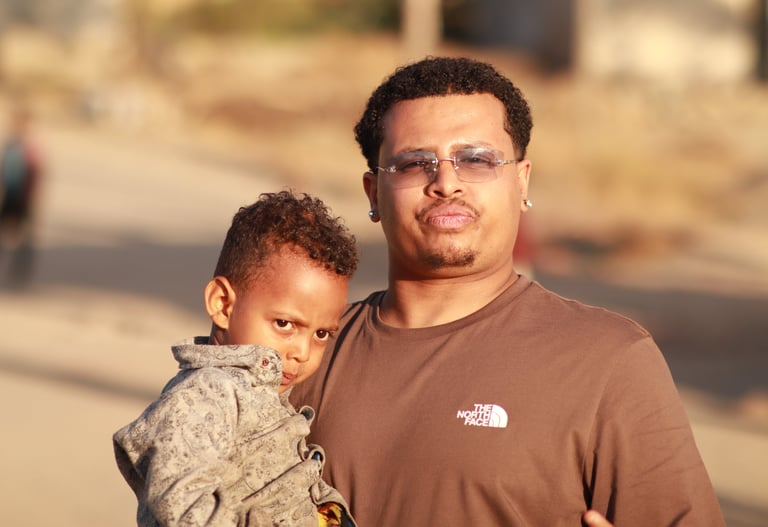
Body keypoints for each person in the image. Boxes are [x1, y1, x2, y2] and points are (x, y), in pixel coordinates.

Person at [290, 57, 726, 526]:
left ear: (521, 181)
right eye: (415, 163)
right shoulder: (302, 354)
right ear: (374, 193)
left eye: (476, 160)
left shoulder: (609, 361)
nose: (446, 183)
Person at [113, 190, 358, 527]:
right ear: (222, 305)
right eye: (284, 324)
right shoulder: (208, 393)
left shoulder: (266, 395)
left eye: (321, 334)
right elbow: (182, 506)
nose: (302, 352)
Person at [0, 107, 43, 287]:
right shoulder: (12, 144)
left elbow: (36, 174)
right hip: (10, 195)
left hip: (22, 198)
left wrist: (31, 199)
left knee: (24, 239)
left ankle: (21, 274)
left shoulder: (30, 147)